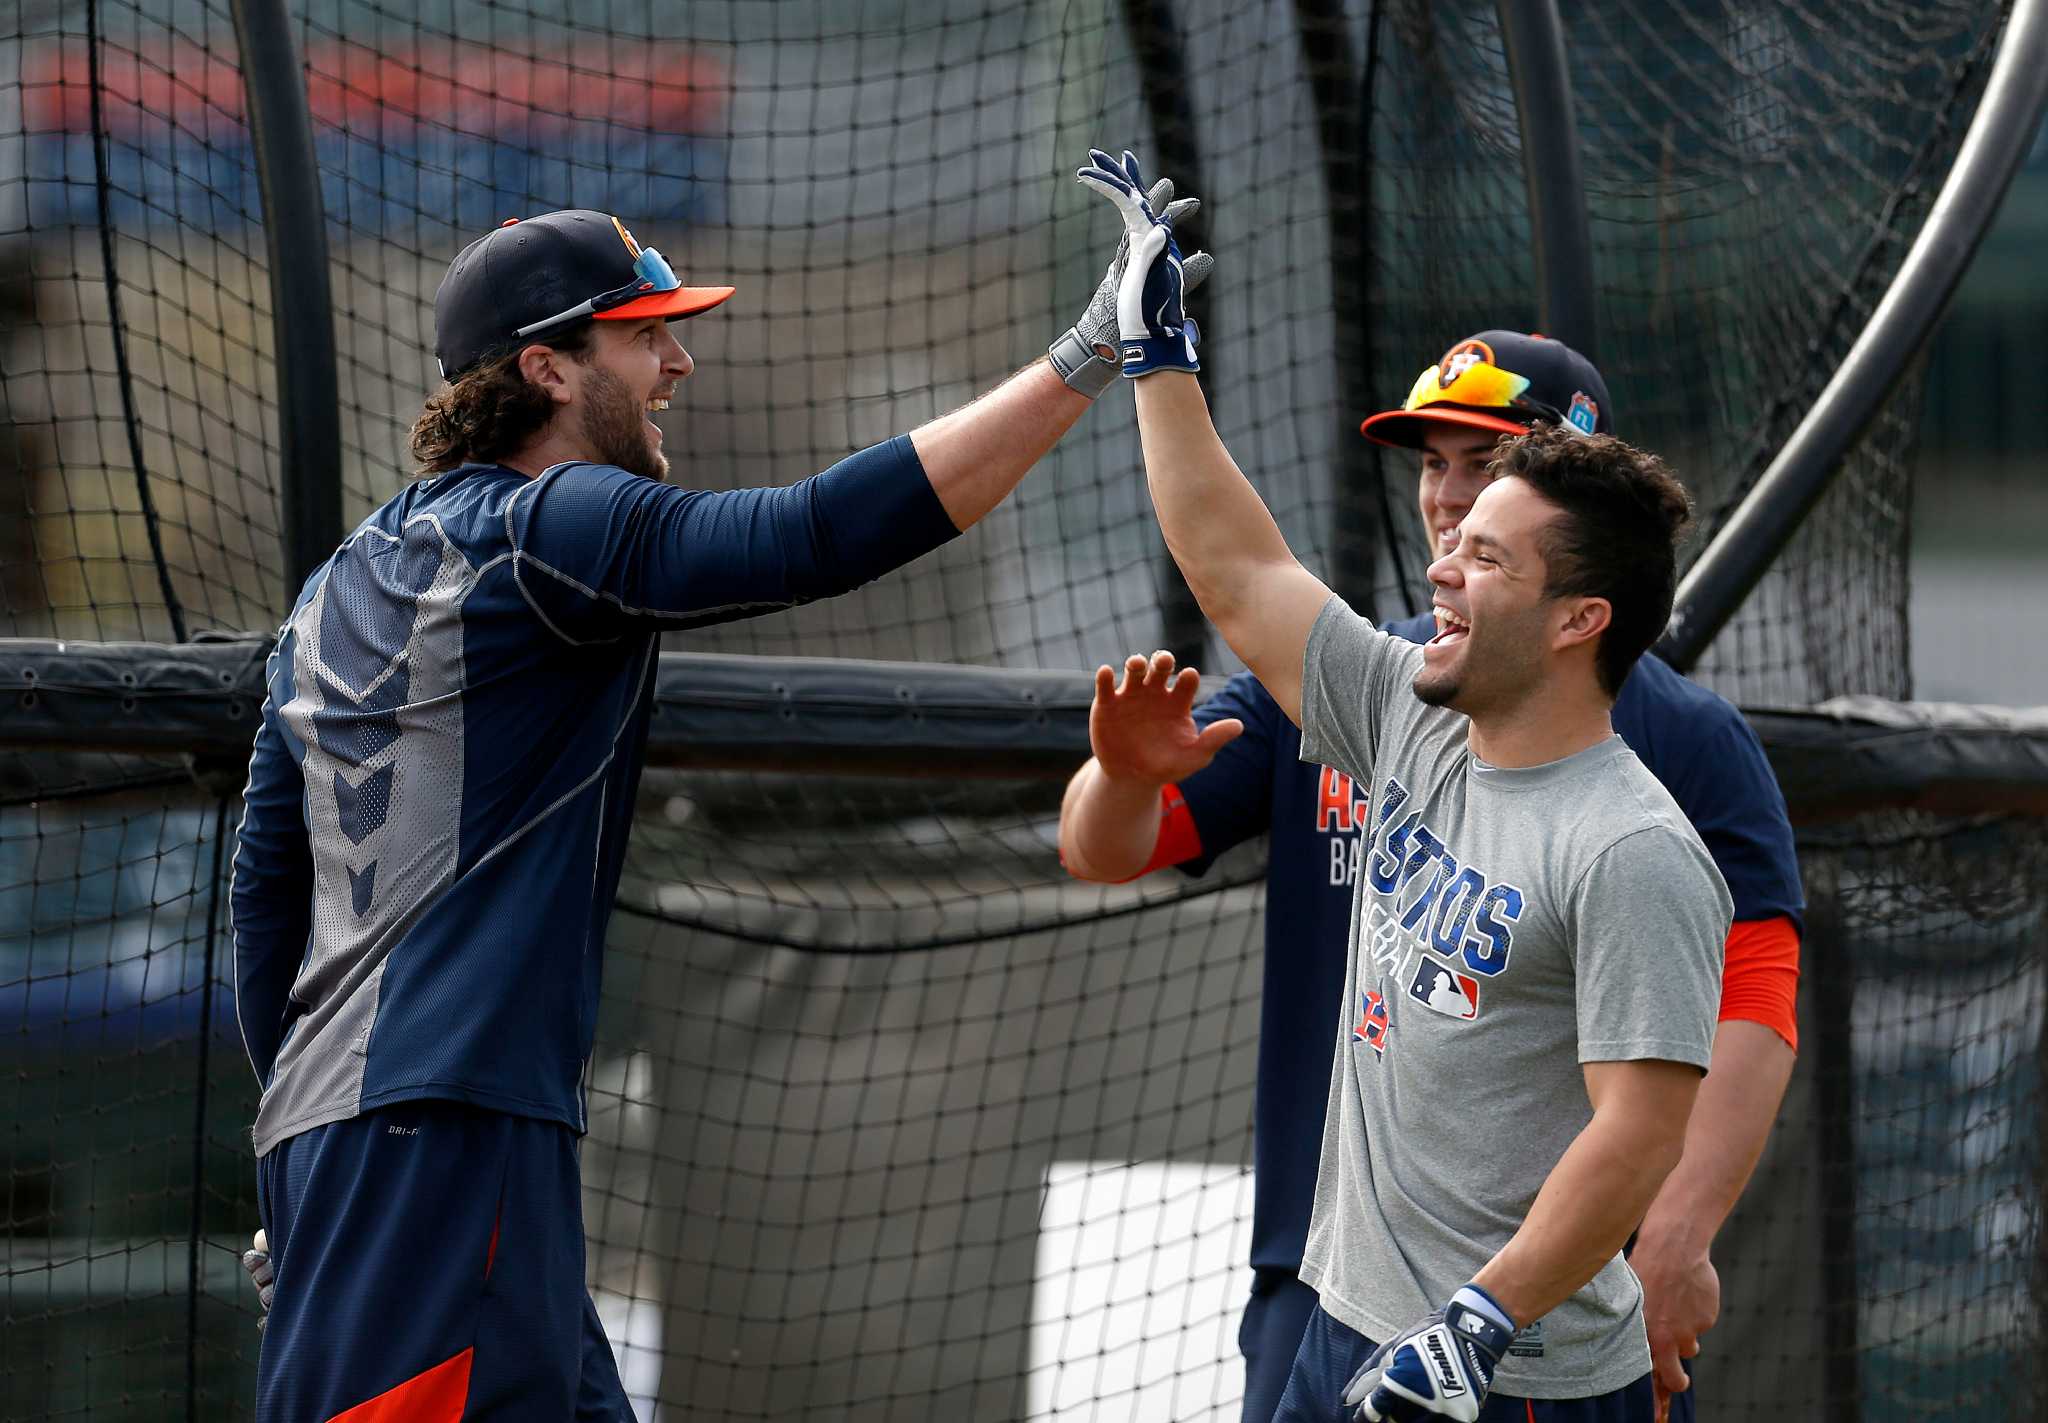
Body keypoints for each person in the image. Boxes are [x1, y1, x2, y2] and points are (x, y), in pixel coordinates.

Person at [228, 202, 1206, 1421]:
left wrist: (299, 1183)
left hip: (365, 1144)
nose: (678, 362)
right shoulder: (548, 525)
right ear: (545, 368)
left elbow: (267, 908)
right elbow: (814, 534)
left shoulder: (333, 587)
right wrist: (1084, 357)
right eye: (645, 337)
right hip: (450, 1134)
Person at [1068, 148, 1739, 1421]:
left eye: (1484, 553)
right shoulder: (1408, 714)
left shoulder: (1631, 842)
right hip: (1340, 1314)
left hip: (1511, 1377)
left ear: (1572, 619)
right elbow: (1235, 567)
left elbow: (1639, 1130)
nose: (1439, 556)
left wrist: (1479, 1324)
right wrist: (1155, 360)